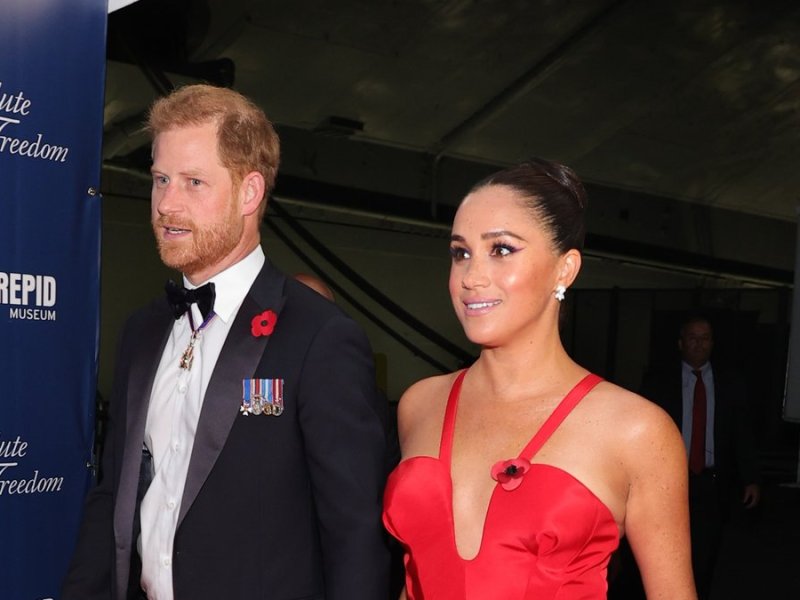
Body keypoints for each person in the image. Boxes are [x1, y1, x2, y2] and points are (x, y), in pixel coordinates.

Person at [62, 84, 391, 600]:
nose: (167, 204)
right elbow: (112, 498)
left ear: (250, 192)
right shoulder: (142, 330)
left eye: (194, 182)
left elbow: (354, 534)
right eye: (160, 180)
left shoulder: (319, 336)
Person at [382, 158, 696, 599]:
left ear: (564, 270)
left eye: (502, 249)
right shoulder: (420, 404)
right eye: (460, 252)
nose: (471, 277)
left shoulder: (636, 430)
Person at [640, 314, 760, 599]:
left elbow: (742, 433)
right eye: (693, 338)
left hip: (712, 482)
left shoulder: (730, 382)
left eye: (705, 338)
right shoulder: (659, 381)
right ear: (681, 343)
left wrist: (751, 478)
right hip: (669, 481)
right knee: (665, 550)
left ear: (713, 344)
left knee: (705, 554)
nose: (699, 344)